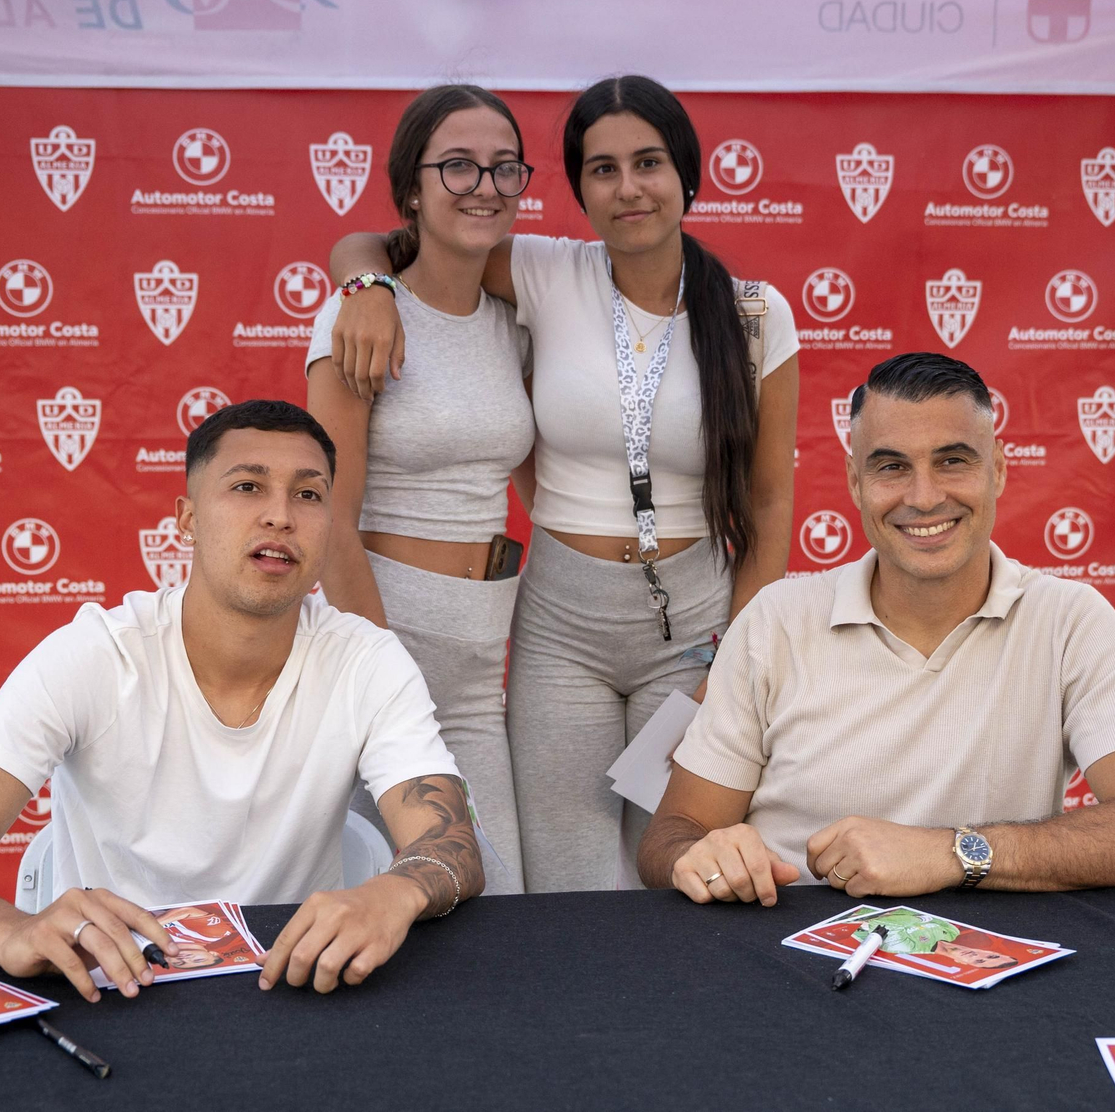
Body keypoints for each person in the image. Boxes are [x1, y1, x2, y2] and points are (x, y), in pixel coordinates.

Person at [327, 74, 800, 893]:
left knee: (679, 871)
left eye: (648, 163)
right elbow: (397, 240)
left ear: (688, 173)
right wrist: (363, 286)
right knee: (562, 885)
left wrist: (736, 659)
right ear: (579, 190)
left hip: (693, 629)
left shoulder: (755, 314)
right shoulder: (545, 271)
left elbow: (768, 502)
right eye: (602, 169)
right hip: (561, 632)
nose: (629, 188)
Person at [0, 401, 484, 1001]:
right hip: (115, 987)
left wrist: (392, 893)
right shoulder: (97, 654)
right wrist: (11, 932)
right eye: (247, 487)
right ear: (186, 520)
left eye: (308, 494)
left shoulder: (367, 660)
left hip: (293, 988)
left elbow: (451, 843)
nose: (280, 516)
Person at [638, 352, 1115, 904]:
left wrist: (950, 854)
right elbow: (670, 835)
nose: (924, 497)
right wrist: (701, 856)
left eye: (953, 461)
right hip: (786, 949)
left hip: (994, 961)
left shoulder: (1070, 621)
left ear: (999, 469)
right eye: (892, 467)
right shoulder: (775, 620)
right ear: (855, 482)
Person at [306, 84, 535, 895]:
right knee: (390, 900)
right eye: (458, 166)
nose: (484, 186)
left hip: (479, 663)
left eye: (505, 168)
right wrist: (381, 673)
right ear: (411, 187)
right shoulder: (359, 316)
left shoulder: (514, 320)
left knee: (500, 895)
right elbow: (328, 519)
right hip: (385, 647)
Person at [848, 908, 1017, 969]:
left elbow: (883, 923)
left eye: (979, 962)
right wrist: (913, 918)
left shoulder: (909, 948)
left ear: (962, 963)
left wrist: (917, 919)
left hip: (855, 914)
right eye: (991, 956)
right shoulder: (951, 931)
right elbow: (906, 912)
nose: (978, 956)